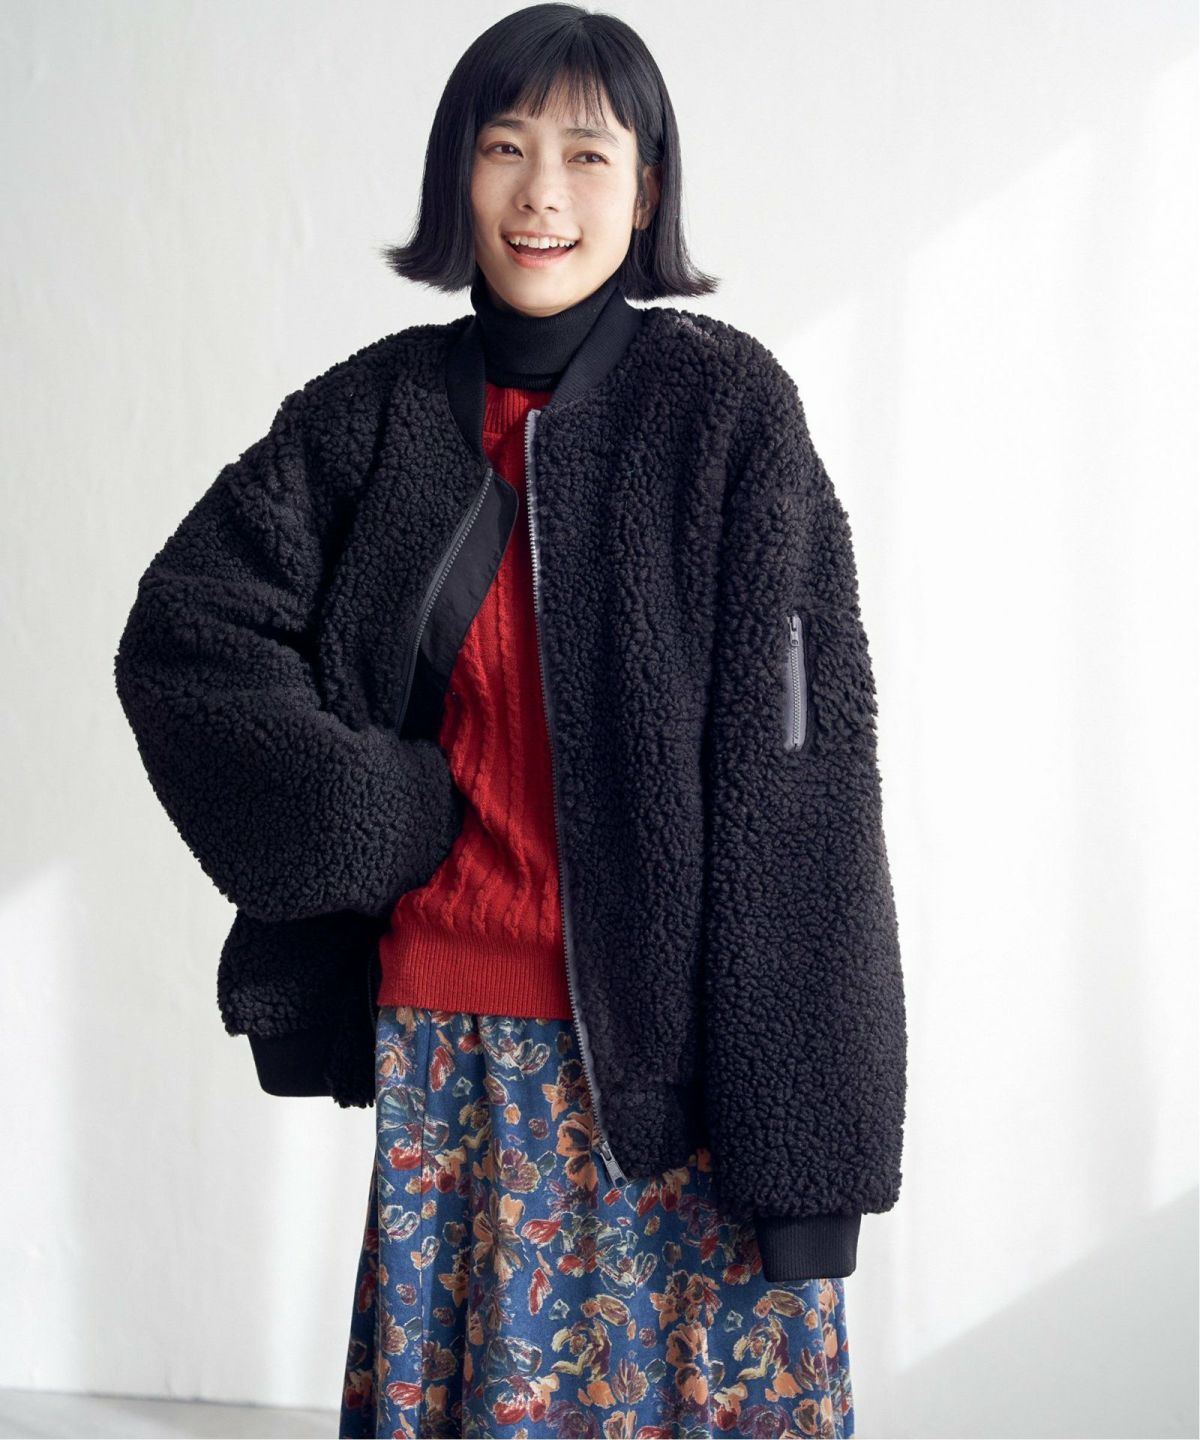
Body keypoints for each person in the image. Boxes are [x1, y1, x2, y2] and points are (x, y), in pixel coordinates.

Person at [114, 5, 908, 1436]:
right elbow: (187, 639)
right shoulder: (375, 416)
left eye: (588, 154)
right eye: (505, 148)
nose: (543, 193)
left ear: (646, 191)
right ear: (458, 176)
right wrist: (369, 815)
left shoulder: (726, 415)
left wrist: (809, 1161)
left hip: (685, 1079)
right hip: (454, 1049)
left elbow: (805, 792)